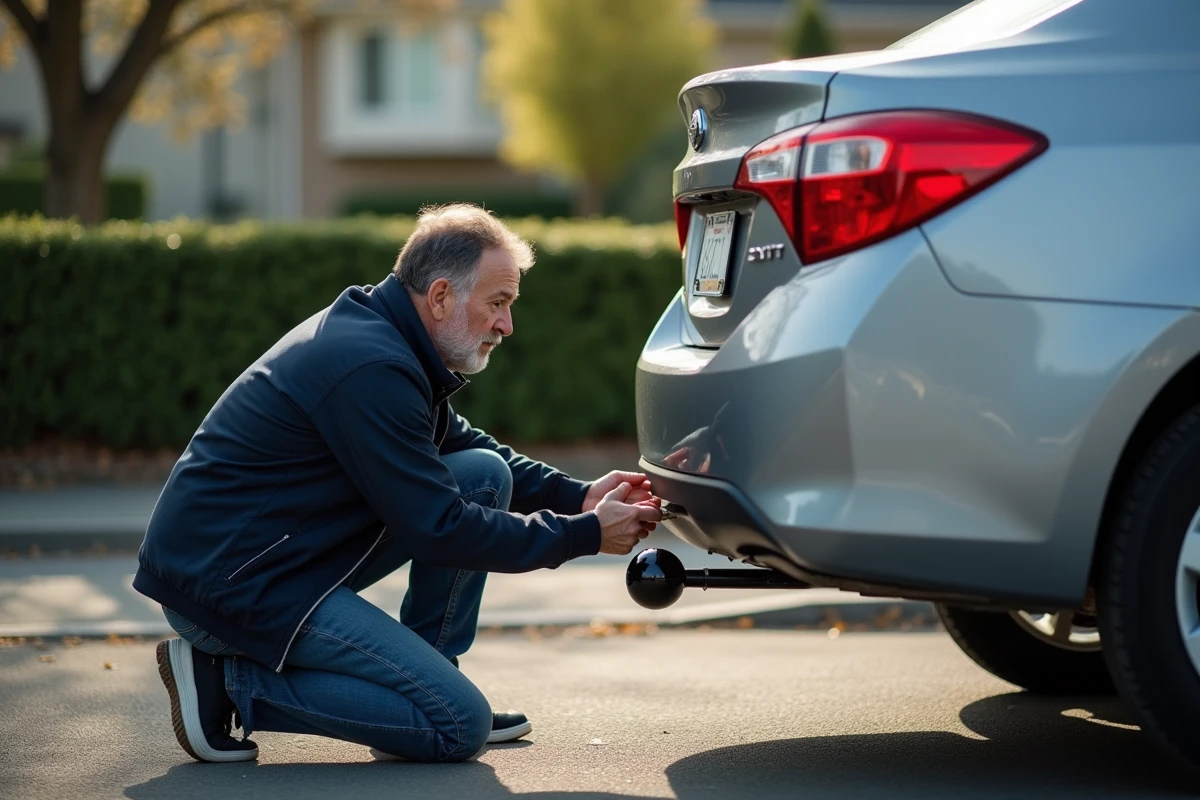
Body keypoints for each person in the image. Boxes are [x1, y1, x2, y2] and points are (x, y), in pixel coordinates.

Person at [133, 204, 663, 764]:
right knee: (459, 726)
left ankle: (433, 677)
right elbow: (440, 529)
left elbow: (459, 444)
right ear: (439, 297)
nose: (506, 325)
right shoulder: (370, 366)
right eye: (498, 303)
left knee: (483, 475)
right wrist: (583, 534)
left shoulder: (388, 337)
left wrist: (575, 494)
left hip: (271, 560)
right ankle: (230, 684)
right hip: (231, 590)